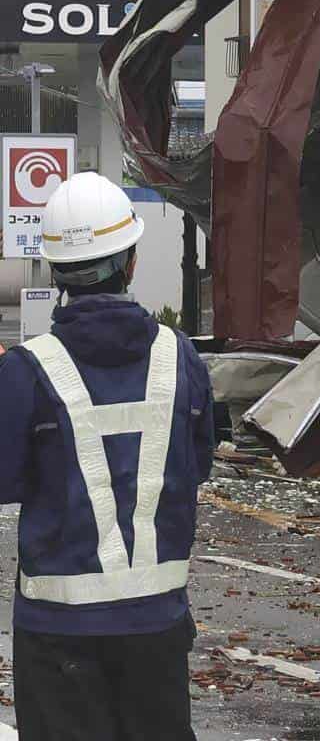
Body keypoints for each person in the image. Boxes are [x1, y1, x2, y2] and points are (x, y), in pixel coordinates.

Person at [0, 172, 215, 740]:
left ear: (54, 270)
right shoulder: (182, 359)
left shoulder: (27, 369)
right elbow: (199, 463)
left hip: (57, 633)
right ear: (132, 262)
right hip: (158, 625)